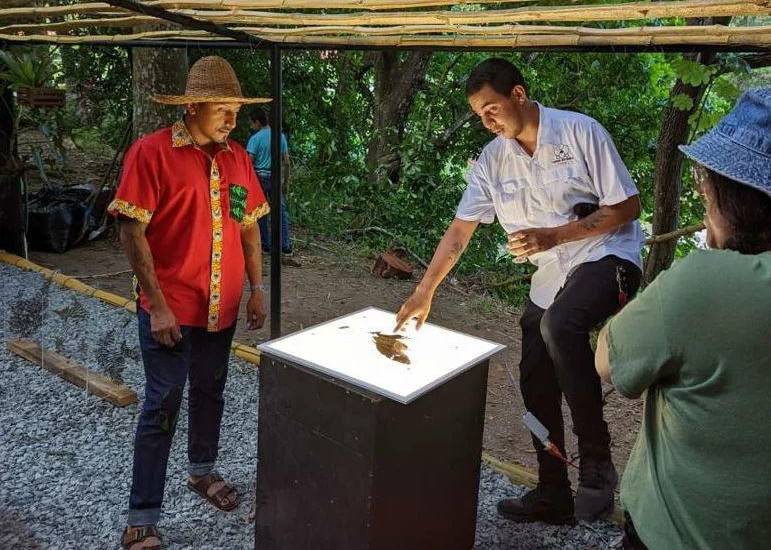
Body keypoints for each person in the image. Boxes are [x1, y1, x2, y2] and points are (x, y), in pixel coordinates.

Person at [394, 58, 645, 524]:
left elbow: (627, 205)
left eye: (491, 109)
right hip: (551, 275)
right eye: (479, 115)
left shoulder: (579, 132)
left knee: (560, 325)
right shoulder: (492, 162)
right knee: (534, 374)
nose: (487, 122)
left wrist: (554, 236)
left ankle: (596, 460)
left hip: (609, 256)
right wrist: (425, 291)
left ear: (519, 95)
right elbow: (459, 231)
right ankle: (552, 491)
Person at [595, 88, 771, 550]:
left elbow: (608, 361)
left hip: (678, 532)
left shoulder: (703, 282)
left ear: (722, 193)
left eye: (703, 183)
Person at [108, 56, 271, 550]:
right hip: (170, 308)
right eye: (222, 108)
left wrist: (257, 288)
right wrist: (155, 304)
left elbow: (247, 226)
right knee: (162, 403)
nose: (231, 118)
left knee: (210, 391)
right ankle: (141, 517)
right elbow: (130, 229)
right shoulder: (151, 154)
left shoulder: (239, 158)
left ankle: (201, 471)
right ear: (194, 106)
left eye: (236, 110)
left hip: (220, 306)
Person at [246, 107, 299, 267]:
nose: (251, 126)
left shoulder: (255, 139)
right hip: (276, 177)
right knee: (281, 212)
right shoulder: (280, 136)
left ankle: (266, 245)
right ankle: (285, 246)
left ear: (257, 122)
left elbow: (249, 162)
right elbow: (287, 161)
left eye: (251, 123)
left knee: (260, 212)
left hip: (260, 178)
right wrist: (286, 182)